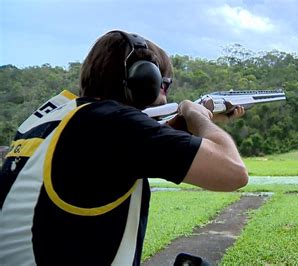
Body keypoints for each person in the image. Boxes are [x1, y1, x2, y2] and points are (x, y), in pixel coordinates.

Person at [0, 30, 248, 265]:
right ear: (144, 78)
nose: (165, 89)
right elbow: (233, 172)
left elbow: (121, 153)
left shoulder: (56, 116)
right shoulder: (114, 124)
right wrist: (198, 117)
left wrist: (189, 125)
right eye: (164, 83)